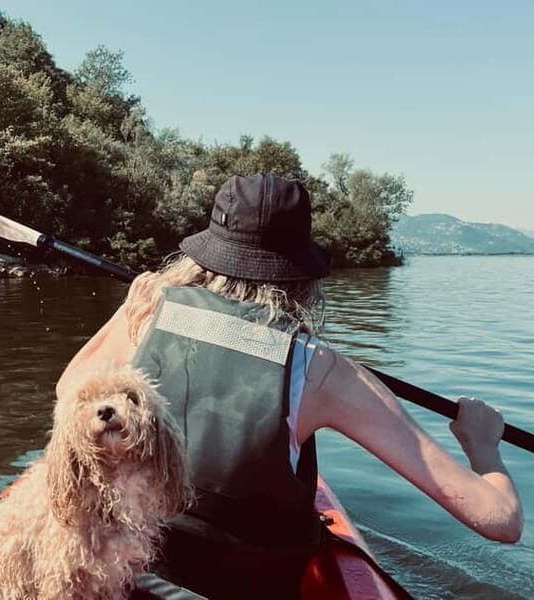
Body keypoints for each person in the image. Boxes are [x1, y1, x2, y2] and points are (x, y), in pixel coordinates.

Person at [55, 173, 523, 599]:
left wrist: (132, 306)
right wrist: (483, 446)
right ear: (301, 271)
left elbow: (68, 395)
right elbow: (499, 519)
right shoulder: (322, 370)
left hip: (127, 583)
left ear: (205, 251)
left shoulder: (145, 313)